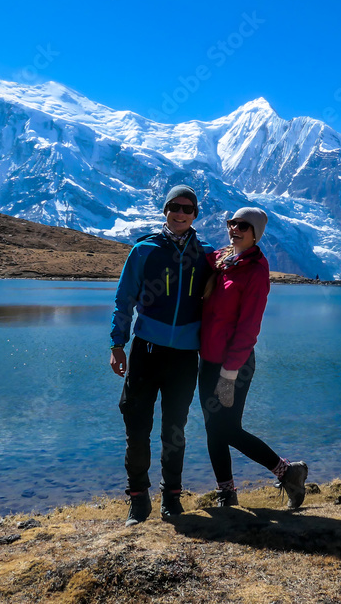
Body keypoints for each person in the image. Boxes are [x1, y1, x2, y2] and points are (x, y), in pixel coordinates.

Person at [109, 185, 213, 526]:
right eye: (174, 207)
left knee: (175, 430)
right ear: (165, 210)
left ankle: (171, 498)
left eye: (187, 208)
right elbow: (124, 300)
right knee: (136, 427)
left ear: (195, 214)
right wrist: (117, 344)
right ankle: (138, 500)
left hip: (184, 357)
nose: (180, 213)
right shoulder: (144, 250)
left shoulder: (207, 256)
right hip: (146, 352)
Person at [198, 207, 309, 509]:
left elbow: (248, 330)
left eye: (243, 226)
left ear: (255, 234)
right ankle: (227, 493)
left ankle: (288, 472)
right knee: (213, 428)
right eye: (232, 223)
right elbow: (200, 255)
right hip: (208, 360)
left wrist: (229, 374)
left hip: (235, 365)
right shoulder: (223, 261)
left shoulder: (256, 271)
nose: (235, 229)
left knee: (228, 429)